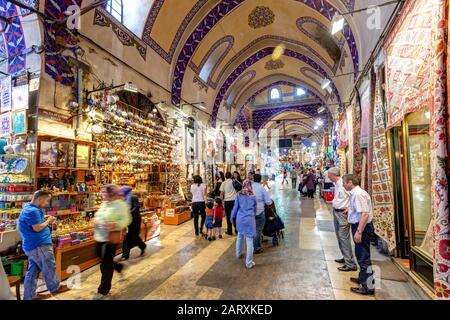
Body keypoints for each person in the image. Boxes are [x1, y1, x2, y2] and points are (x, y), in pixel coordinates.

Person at [18, 190, 70, 300]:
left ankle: (29, 296)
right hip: (39, 245)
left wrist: (43, 218)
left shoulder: (30, 208)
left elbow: (33, 223)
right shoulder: (32, 211)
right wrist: (48, 221)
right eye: (46, 201)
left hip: (34, 245)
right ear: (39, 199)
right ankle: (55, 288)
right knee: (49, 266)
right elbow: (37, 228)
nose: (46, 203)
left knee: (33, 271)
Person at [93, 185, 132, 300]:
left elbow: (126, 220)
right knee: (101, 258)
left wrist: (115, 224)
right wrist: (96, 221)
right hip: (99, 236)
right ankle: (118, 267)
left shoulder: (121, 205)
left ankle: (103, 290)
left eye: (104, 192)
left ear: (111, 194)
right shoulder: (105, 203)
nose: (102, 194)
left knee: (105, 264)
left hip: (110, 238)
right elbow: (99, 216)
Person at [342, 174, 376, 296]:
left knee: (363, 256)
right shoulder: (355, 193)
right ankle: (363, 279)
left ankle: (368, 287)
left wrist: (359, 231)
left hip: (362, 227)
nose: (343, 185)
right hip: (360, 225)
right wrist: (349, 210)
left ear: (350, 182)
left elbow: (365, 214)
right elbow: (360, 210)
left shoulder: (357, 194)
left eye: (344, 183)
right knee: (360, 254)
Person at [327, 168, 357, 272]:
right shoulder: (337, 184)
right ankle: (346, 257)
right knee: (340, 236)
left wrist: (349, 208)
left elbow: (353, 195)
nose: (328, 177)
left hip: (342, 214)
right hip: (337, 212)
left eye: (329, 175)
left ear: (333, 175)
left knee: (343, 237)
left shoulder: (343, 185)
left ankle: (350, 263)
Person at [231, 180, 257, 269]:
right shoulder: (253, 197)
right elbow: (255, 209)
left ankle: (238, 254)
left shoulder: (238, 195)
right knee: (249, 241)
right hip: (249, 219)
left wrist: (232, 217)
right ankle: (249, 263)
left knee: (240, 236)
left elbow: (235, 208)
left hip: (240, 219)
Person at [120, 186, 146, 261]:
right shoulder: (123, 199)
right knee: (126, 237)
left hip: (135, 219)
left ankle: (142, 246)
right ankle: (125, 254)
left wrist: (128, 212)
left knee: (134, 236)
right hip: (127, 219)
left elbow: (136, 207)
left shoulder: (133, 197)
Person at [252, 174, 272, 254]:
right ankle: (256, 248)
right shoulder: (261, 189)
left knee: (253, 229)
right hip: (259, 212)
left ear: (253, 179)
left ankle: (253, 245)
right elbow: (268, 201)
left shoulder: (249, 188)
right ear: (260, 180)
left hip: (250, 212)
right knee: (258, 230)